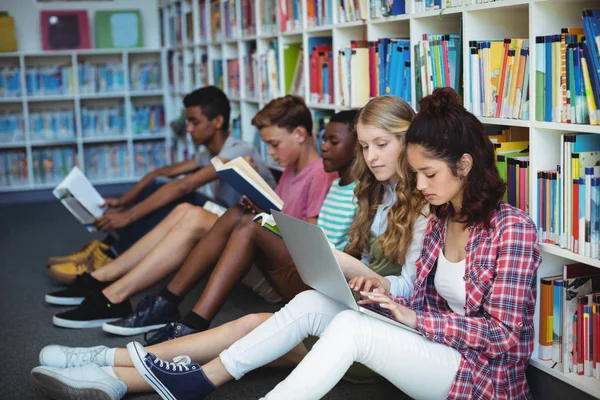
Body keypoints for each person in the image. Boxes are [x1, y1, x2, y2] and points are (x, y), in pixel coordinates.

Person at [30, 95, 431, 399]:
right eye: (364, 147)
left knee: (251, 330)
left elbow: (409, 291)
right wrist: (344, 270)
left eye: (381, 145)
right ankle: (109, 366)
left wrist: (344, 265)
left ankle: (111, 367)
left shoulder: (422, 205)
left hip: (381, 328)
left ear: (407, 141)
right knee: (247, 329)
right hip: (354, 309)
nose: (370, 156)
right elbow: (370, 267)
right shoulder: (380, 193)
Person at [49, 95, 338, 330]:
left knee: (201, 216)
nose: (270, 153)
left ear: (300, 134)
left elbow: (308, 241)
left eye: (274, 144)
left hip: (283, 277)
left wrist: (267, 217)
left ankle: (120, 293)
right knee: (190, 210)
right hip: (262, 255)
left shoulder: (318, 174)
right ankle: (111, 285)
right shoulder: (291, 170)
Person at [47, 86, 276, 284]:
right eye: (188, 122)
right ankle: (108, 249)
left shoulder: (238, 151)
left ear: (217, 122)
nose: (188, 128)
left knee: (180, 196)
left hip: (249, 225)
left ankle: (114, 254)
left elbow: (185, 186)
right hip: (227, 216)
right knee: (161, 184)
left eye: (195, 122)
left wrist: (128, 216)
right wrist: (122, 202)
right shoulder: (210, 153)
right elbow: (162, 173)